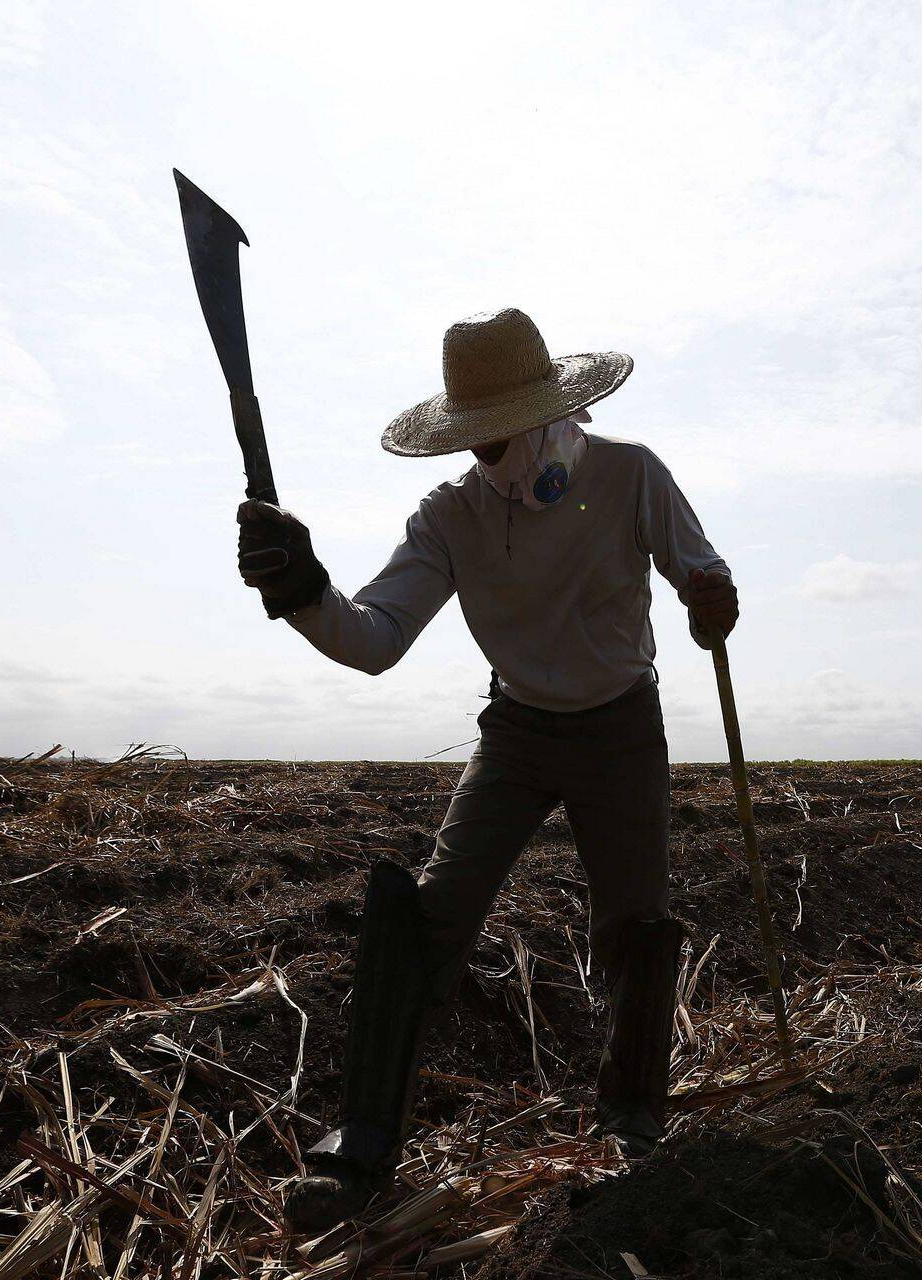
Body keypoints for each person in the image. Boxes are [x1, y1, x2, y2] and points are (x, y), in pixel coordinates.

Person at [235, 308, 737, 1233]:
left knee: (634, 921)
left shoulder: (630, 474)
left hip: (623, 729)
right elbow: (375, 638)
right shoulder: (451, 515)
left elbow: (702, 581)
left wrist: (714, 600)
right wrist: (301, 590)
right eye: (471, 443)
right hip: (516, 731)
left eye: (499, 437)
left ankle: (631, 1123)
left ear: (552, 413)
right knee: (433, 910)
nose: (486, 459)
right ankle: (363, 1144)